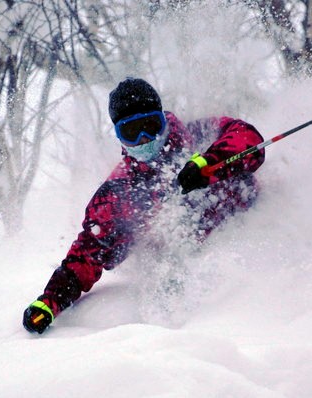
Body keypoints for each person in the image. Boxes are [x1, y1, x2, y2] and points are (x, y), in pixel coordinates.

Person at [23, 78, 265, 334]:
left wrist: (209, 164)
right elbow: (86, 255)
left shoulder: (199, 136)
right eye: (131, 132)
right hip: (199, 280)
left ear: (162, 119)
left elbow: (248, 138)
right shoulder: (118, 195)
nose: (144, 138)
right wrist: (50, 302)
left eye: (151, 125)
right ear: (120, 137)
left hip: (255, 240)